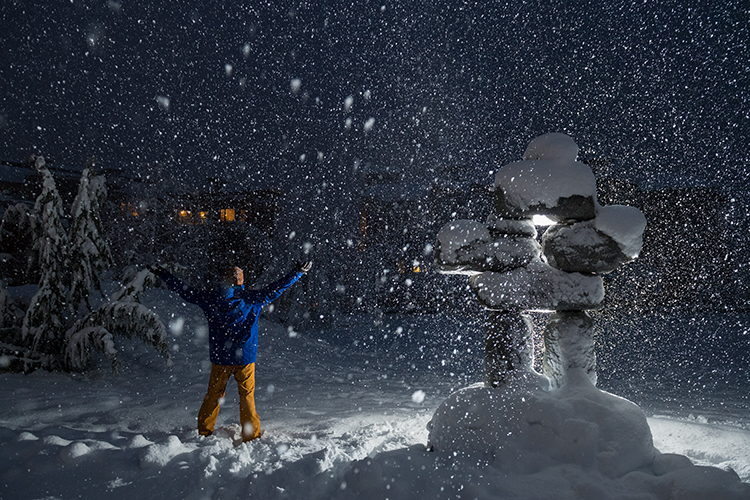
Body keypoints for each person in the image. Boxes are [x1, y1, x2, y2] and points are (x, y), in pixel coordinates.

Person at [151, 260, 312, 443]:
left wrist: (163, 274)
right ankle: (251, 434)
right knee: (247, 396)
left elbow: (185, 291)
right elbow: (276, 289)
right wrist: (297, 272)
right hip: (245, 358)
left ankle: (204, 430)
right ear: (241, 282)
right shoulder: (252, 299)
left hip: (220, 358)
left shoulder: (211, 298)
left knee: (214, 394)